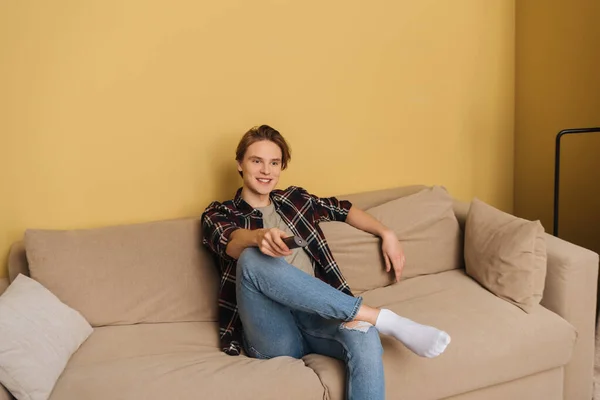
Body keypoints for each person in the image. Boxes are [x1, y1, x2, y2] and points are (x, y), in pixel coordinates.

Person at [201, 125, 450, 400]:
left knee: (364, 335)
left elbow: (343, 209)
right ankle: (379, 317)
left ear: (282, 166)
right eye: (256, 161)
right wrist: (258, 237)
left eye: (274, 163)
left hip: (319, 317)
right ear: (240, 164)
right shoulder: (220, 212)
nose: (266, 171)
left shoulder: (295, 200)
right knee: (251, 256)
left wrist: (386, 232)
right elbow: (231, 241)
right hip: (272, 330)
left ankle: (367, 319)